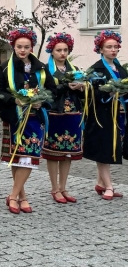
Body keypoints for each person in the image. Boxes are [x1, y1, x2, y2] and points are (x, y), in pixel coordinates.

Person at [0, 27, 55, 214]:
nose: (22, 50)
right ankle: (22, 196)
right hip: (14, 118)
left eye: (26, 47)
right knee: (18, 157)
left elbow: (53, 90)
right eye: (19, 46)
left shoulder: (41, 68)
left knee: (30, 156)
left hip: (35, 118)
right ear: (13, 46)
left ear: (32, 48)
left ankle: (12, 195)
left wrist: (41, 101)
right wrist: (15, 100)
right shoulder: (5, 67)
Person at [43, 33, 85, 204]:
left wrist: (81, 87)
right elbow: (47, 92)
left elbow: (83, 94)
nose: (62, 53)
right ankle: (54, 188)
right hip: (55, 113)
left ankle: (63, 186)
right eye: (58, 50)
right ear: (51, 51)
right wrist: (64, 86)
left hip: (73, 113)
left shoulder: (74, 69)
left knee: (68, 152)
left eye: (65, 50)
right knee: (54, 152)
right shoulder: (46, 70)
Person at [83, 30, 126, 200]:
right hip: (101, 115)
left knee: (110, 148)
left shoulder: (121, 69)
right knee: (103, 150)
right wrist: (108, 95)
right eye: (109, 47)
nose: (113, 50)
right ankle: (109, 186)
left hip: (118, 115)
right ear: (101, 49)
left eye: (115, 47)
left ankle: (101, 183)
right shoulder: (96, 69)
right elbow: (92, 93)